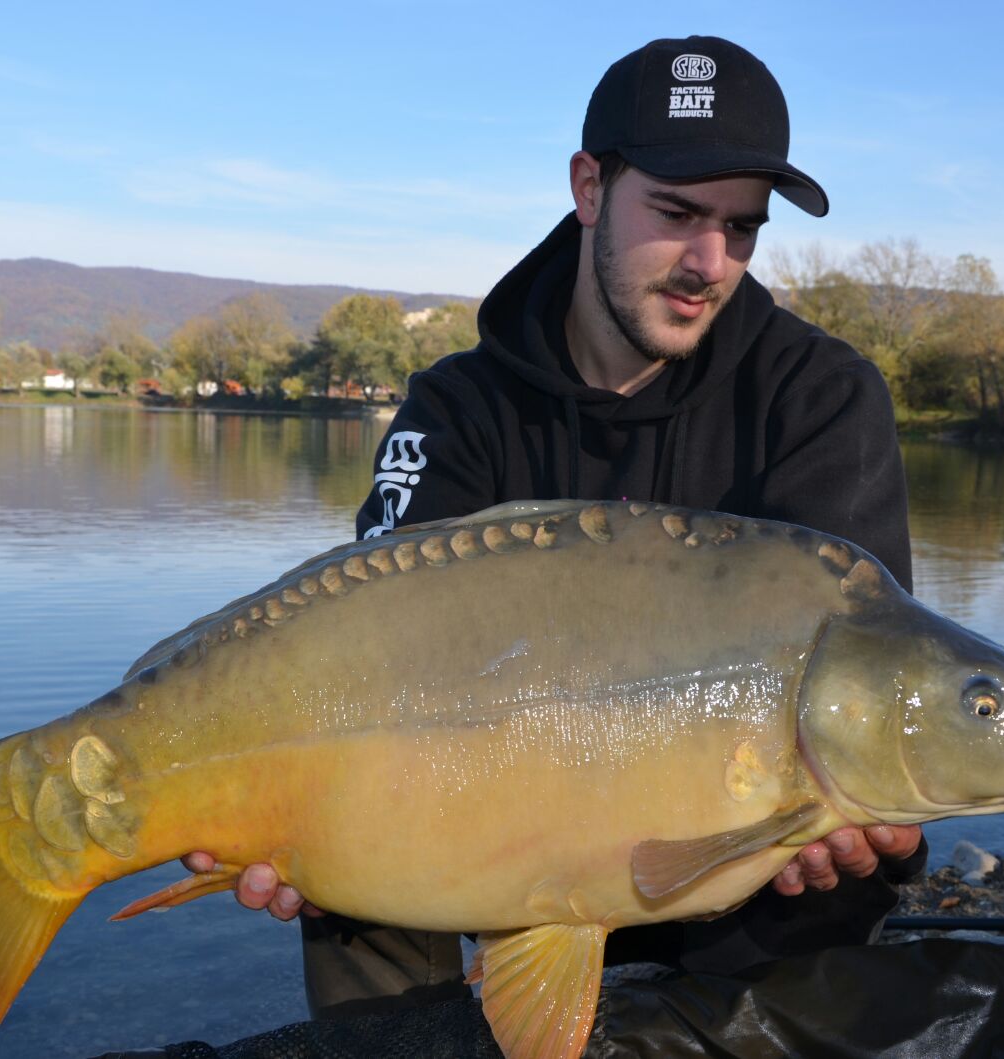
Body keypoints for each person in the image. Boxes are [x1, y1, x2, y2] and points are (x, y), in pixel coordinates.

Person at [181, 33, 926, 1020]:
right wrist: (295, 809)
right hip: (502, 830)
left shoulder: (819, 395)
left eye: (741, 228)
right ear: (588, 188)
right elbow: (363, 650)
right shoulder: (459, 409)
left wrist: (888, 819)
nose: (710, 263)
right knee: (345, 880)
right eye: (676, 214)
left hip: (744, 885)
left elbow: (871, 664)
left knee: (826, 842)